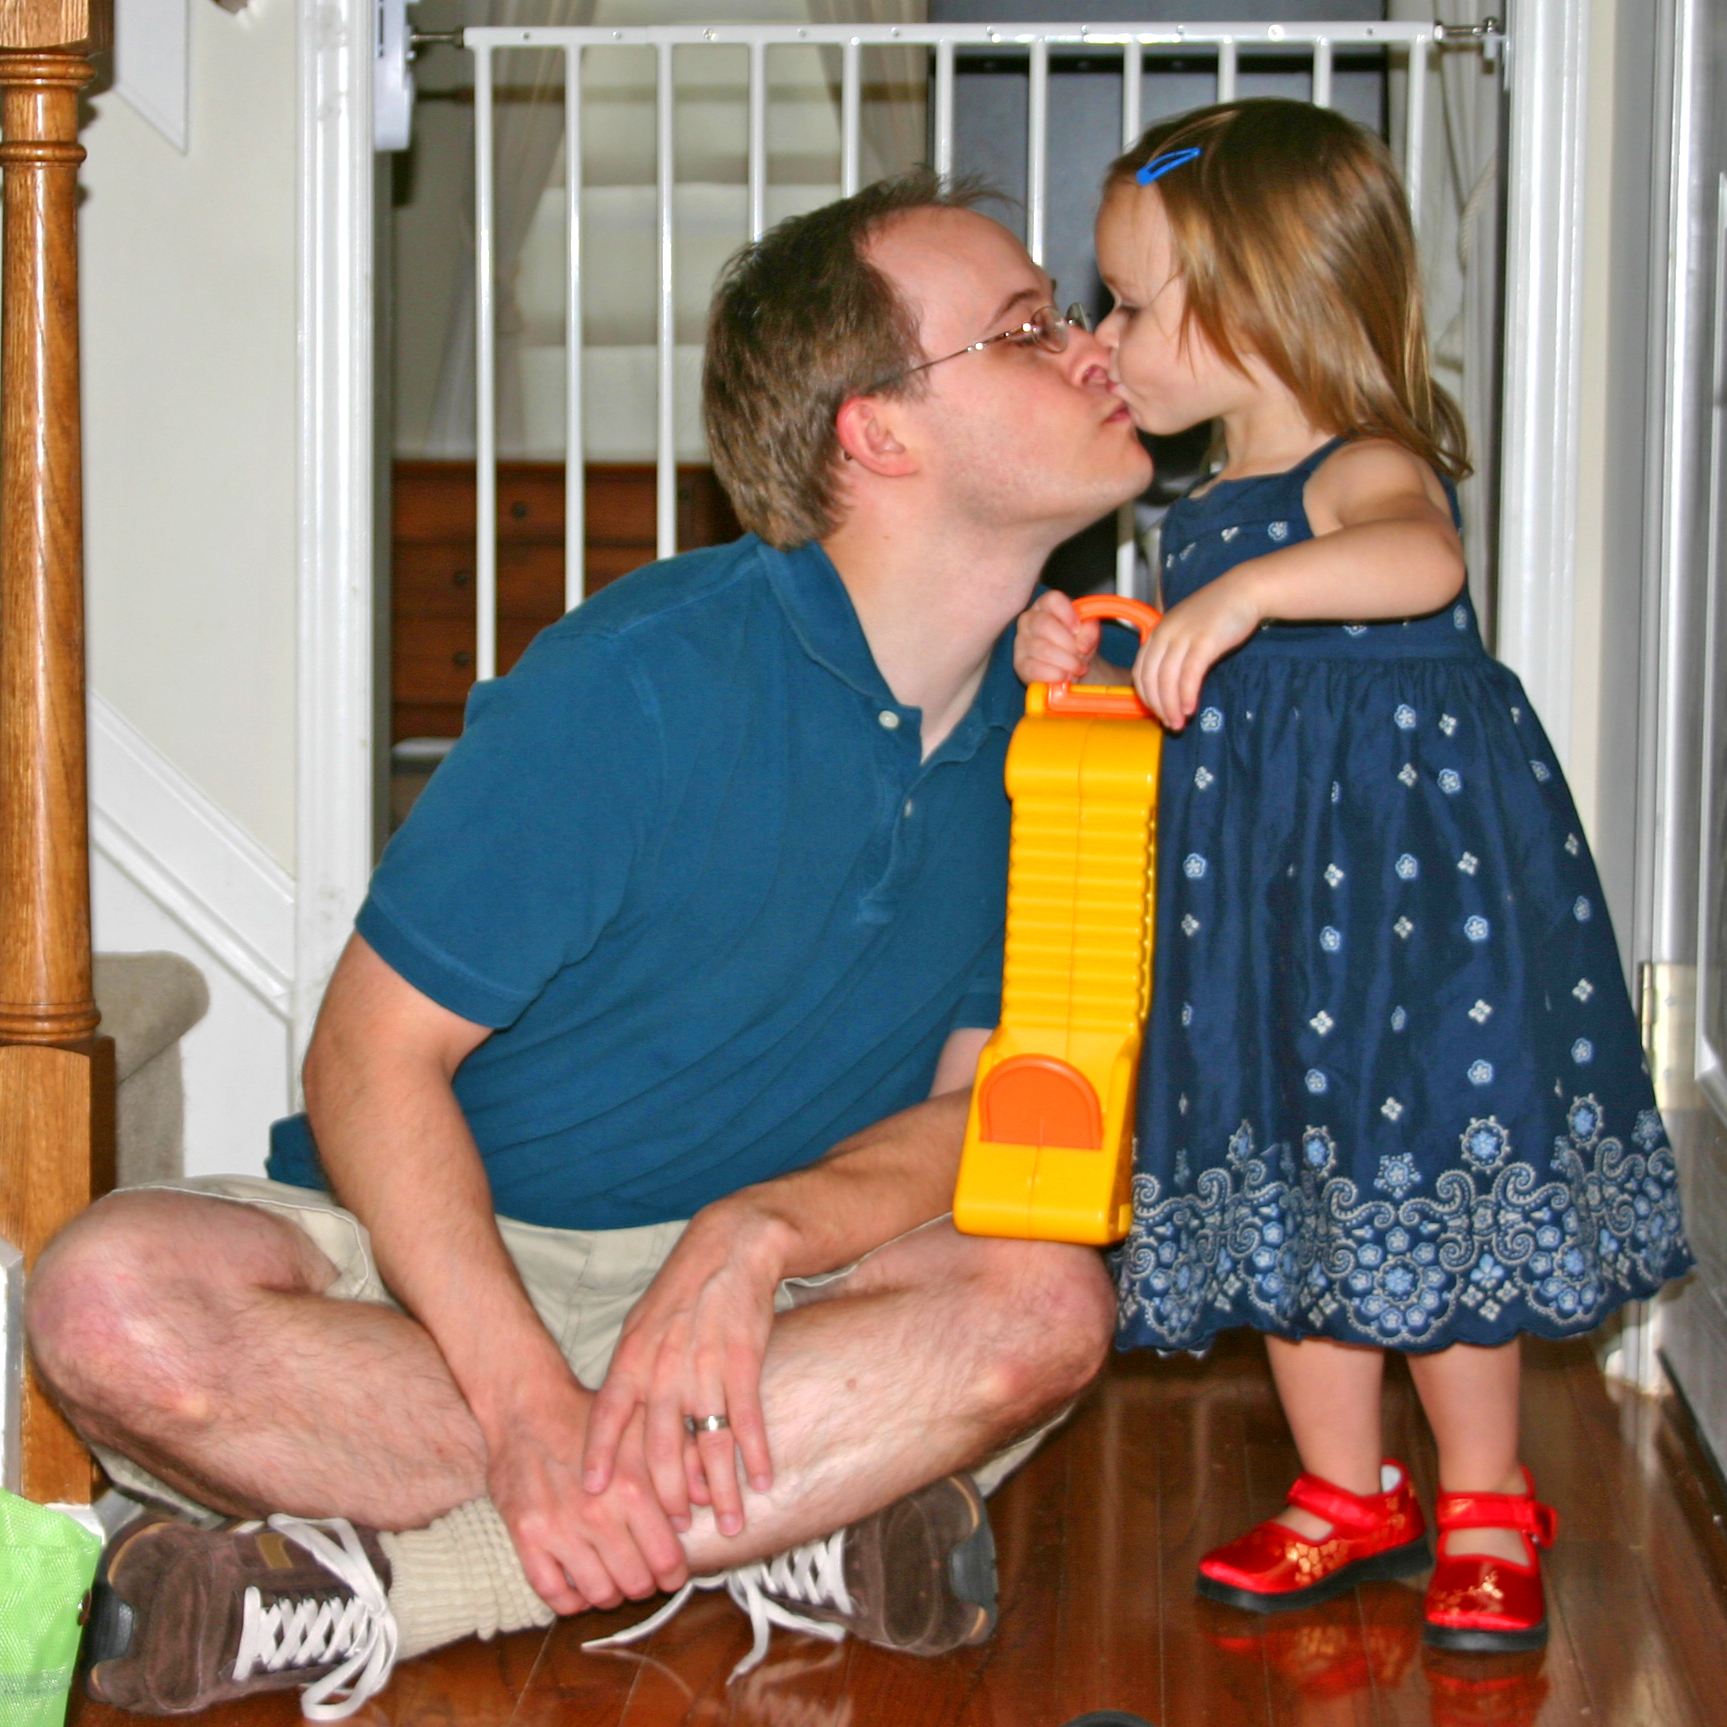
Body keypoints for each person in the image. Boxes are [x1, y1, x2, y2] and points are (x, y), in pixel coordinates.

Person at [26, 171, 1153, 1717]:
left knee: (1047, 1303)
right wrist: (518, 1404)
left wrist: (756, 1235)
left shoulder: (1064, 734)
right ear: (878, 434)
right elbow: (367, 1060)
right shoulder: (638, 682)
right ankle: (792, 1519)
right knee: (105, 1302)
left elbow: (977, 1114)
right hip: (434, 1283)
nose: (1093, 346)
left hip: (770, 1311)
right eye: (1026, 328)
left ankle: (401, 1588)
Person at [1014, 100, 1692, 1654]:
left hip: (1414, 925)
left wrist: (1252, 592)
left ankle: (1488, 1498)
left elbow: (1421, 559)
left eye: (1131, 303)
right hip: (1264, 924)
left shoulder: (1362, 470)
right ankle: (1345, 1491)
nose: (1105, 338)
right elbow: (1201, 698)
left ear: (1255, 305)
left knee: (1427, 1191)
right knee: (1291, 1196)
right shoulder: (1195, 524)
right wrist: (1098, 656)